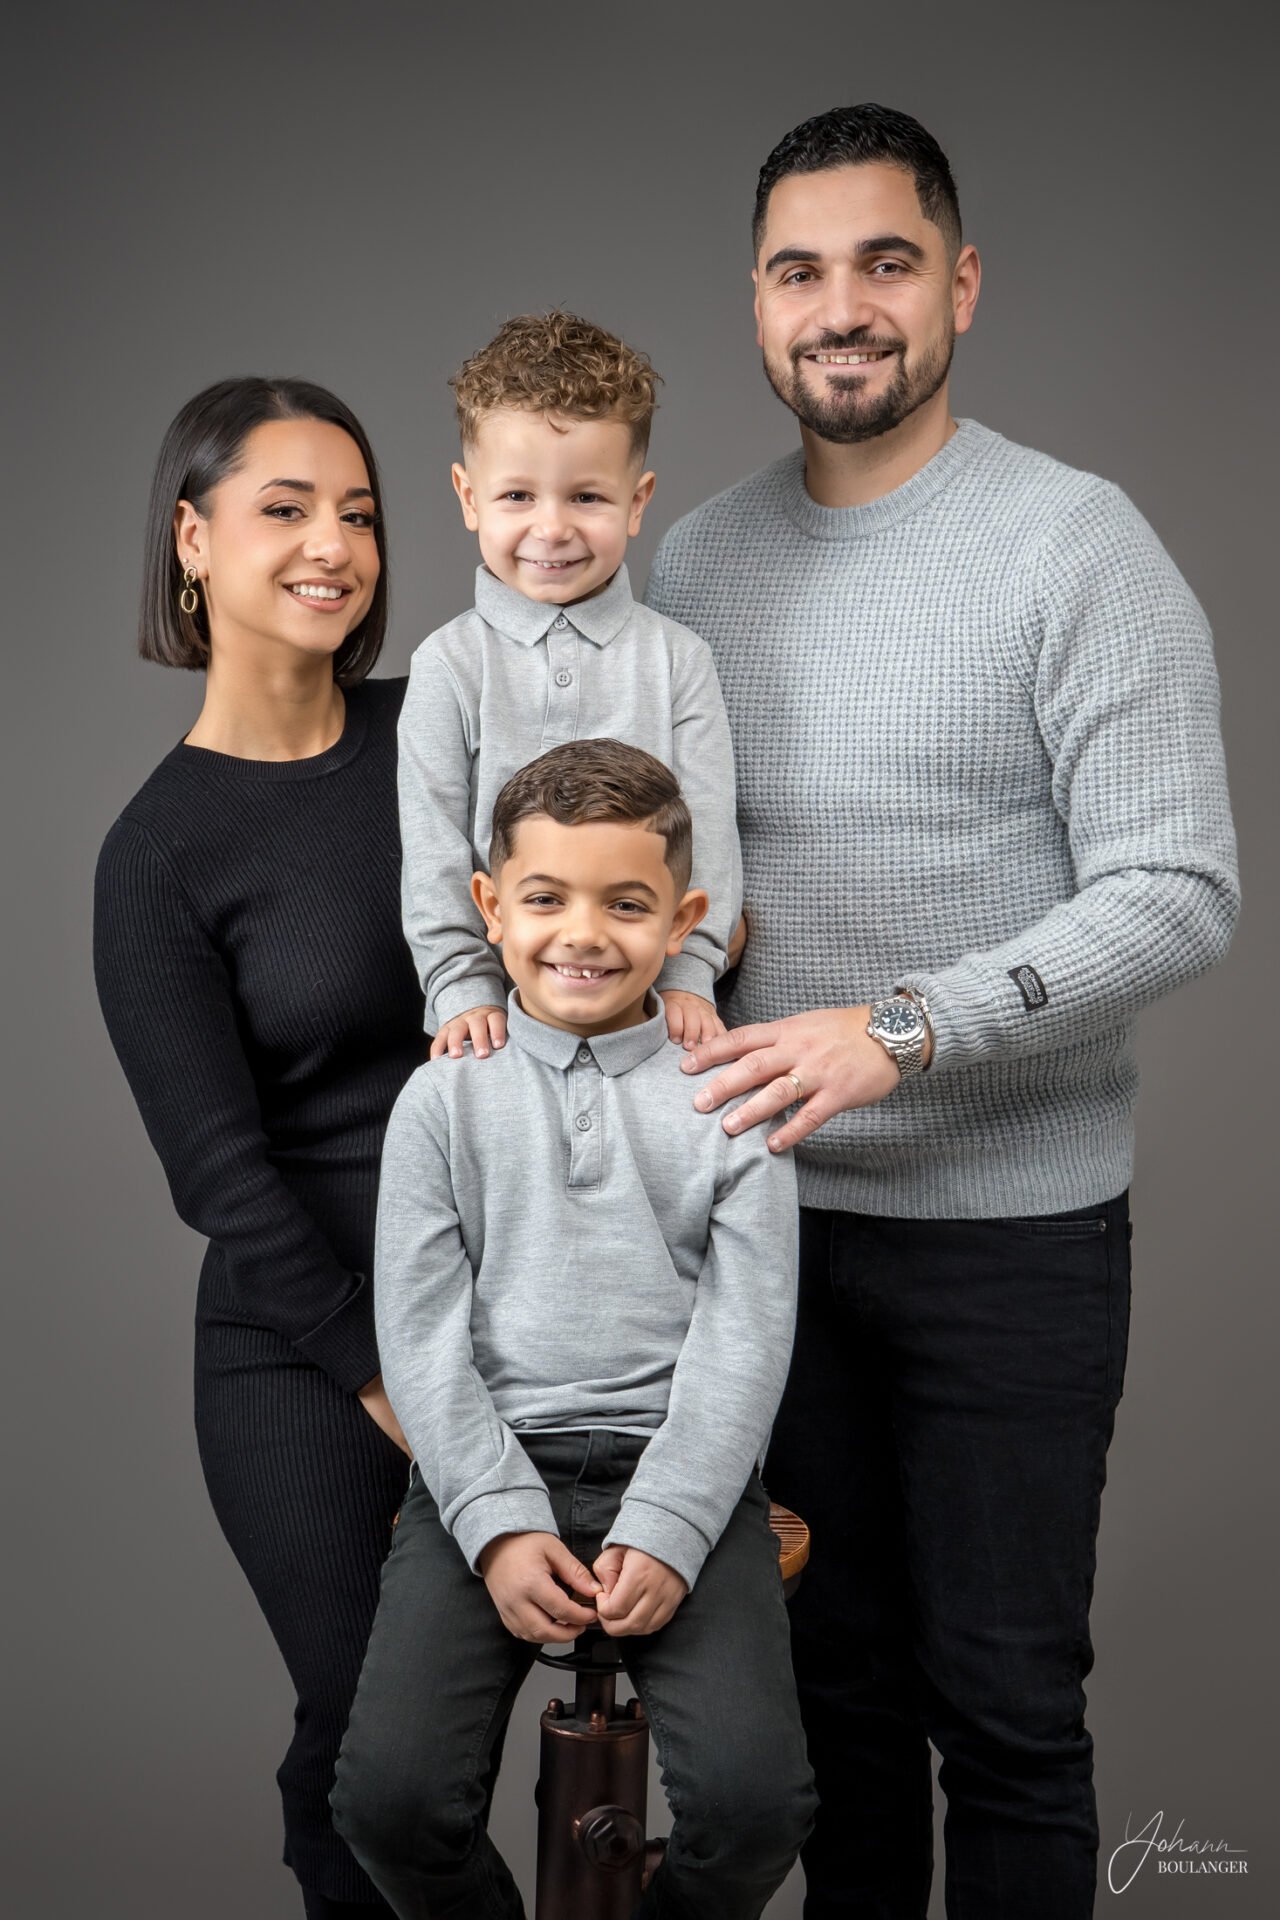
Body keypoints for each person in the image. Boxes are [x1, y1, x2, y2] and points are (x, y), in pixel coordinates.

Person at [645, 104, 1240, 1919]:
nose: (843, 306)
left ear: (961, 286)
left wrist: (891, 1031)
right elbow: (656, 879)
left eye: (886, 262)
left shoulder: (1077, 544)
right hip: (763, 1235)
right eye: (799, 270)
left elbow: (1181, 888)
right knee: (828, 1719)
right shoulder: (692, 570)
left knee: (1004, 1717)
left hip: (1013, 1241)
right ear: (754, 305)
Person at [330, 739, 816, 1920]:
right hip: (484, 1482)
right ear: (490, 909)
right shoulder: (442, 1100)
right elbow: (421, 1333)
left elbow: (744, 1342)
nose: (581, 934)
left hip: (684, 1479)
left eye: (627, 903)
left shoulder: (730, 1098)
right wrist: (494, 1527)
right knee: (386, 1803)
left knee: (758, 1807)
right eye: (544, 899)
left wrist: (671, 1521)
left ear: (684, 917)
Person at [94, 377, 428, 1920]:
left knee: (611, 1736)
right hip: (306, 1355)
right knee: (369, 1759)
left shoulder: (442, 728)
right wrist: (383, 1375)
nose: (334, 545)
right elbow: (218, 1178)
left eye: (357, 512)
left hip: (523, 1297)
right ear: (191, 537)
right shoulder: (159, 853)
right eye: (285, 508)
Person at [397, 309, 742, 1065]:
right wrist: (462, 988)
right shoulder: (448, 666)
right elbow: (433, 851)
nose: (551, 529)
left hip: (652, 1021)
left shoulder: (679, 660)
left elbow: (710, 834)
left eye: (585, 497)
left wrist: (690, 977)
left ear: (638, 500)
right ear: (467, 496)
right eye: (518, 496)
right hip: (500, 1028)